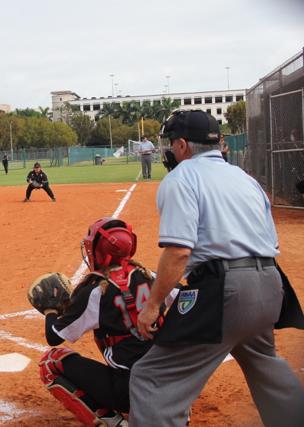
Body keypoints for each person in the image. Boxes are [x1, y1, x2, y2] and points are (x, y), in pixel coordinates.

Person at [131, 110, 304, 427]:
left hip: (227, 289)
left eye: (171, 143)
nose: (168, 150)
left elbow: (179, 252)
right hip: (271, 283)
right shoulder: (245, 178)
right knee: (267, 368)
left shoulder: (181, 178)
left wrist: (153, 305)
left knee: (151, 378)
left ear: (182, 145)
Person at [36, 218, 175, 427]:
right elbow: (187, 298)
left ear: (97, 250)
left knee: (50, 362)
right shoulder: (152, 276)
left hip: (132, 391)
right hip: (176, 384)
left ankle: (113, 422)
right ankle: (176, 407)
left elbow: (54, 336)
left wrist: (50, 310)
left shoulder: (94, 290)